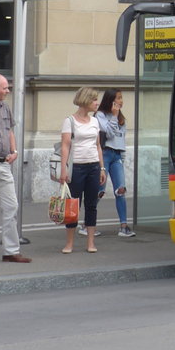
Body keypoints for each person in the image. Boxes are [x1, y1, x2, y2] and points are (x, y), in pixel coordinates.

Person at [0, 74, 31, 265]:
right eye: (4, 88)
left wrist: (14, 150)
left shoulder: (5, 107)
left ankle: (11, 251)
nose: (7, 91)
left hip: (4, 163)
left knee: (11, 206)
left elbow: (9, 130)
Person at [59, 86, 105, 253]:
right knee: (73, 206)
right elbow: (65, 146)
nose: (97, 103)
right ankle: (69, 243)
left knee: (92, 205)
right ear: (85, 100)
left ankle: (90, 242)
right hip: (76, 167)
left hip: (93, 166)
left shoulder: (95, 121)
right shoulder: (69, 121)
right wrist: (64, 169)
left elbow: (98, 146)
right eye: (94, 99)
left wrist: (102, 168)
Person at [96, 89, 135, 238]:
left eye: (121, 98)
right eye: (118, 98)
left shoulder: (121, 117)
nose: (121, 101)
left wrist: (122, 157)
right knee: (100, 190)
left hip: (117, 155)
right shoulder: (100, 116)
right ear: (111, 100)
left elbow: (121, 139)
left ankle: (123, 226)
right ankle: (87, 224)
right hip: (105, 153)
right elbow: (109, 133)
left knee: (121, 189)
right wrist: (113, 115)